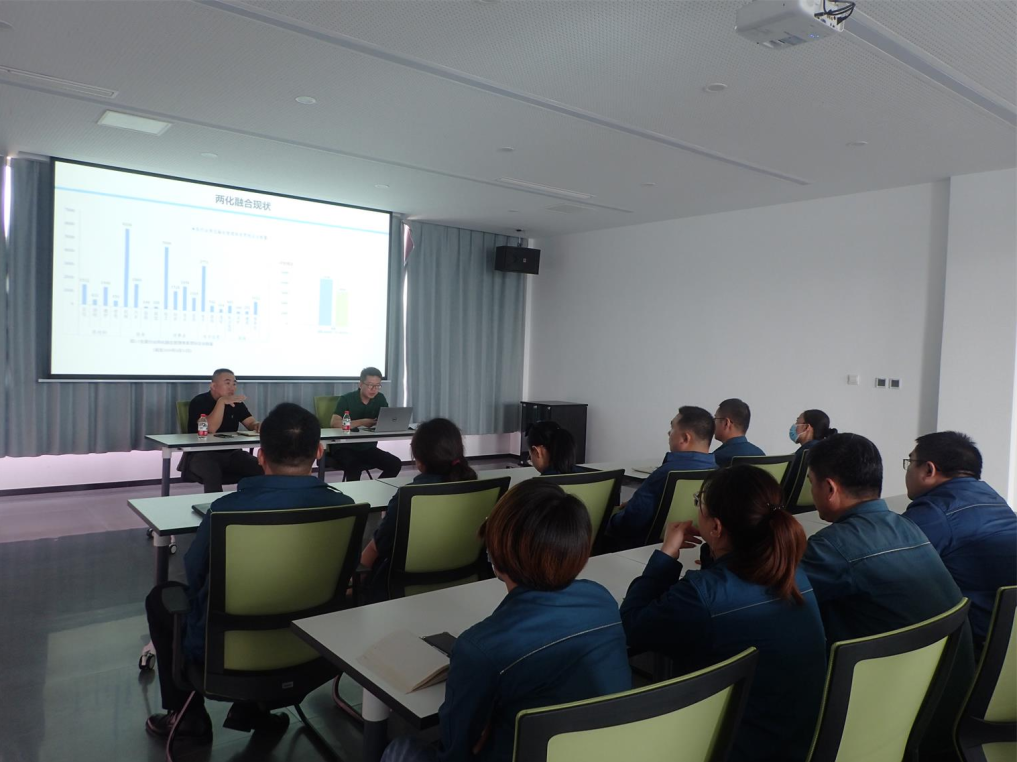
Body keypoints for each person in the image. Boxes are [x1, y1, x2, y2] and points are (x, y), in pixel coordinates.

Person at [144, 403, 354, 744]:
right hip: (314, 648)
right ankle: (256, 709)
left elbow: (196, 574)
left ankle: (188, 718)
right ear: (319, 451)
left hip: (228, 655)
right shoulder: (343, 507)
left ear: (260, 455)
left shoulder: (227, 510)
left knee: (162, 598)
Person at [381, 481, 631, 762]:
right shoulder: (602, 600)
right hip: (603, 751)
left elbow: (456, 751)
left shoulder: (480, 649)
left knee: (400, 749)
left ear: (496, 556)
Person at [621, 466, 826, 762]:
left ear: (716, 527)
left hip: (733, 747)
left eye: (699, 503)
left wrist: (666, 555)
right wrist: (714, 552)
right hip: (796, 739)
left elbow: (632, 626)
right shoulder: (793, 574)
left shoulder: (702, 596)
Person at [800, 433, 974, 758]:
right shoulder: (908, 526)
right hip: (946, 705)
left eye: (811, 483)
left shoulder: (832, 546)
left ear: (830, 488)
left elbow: (772, 595)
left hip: (891, 716)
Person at [903, 431, 1016, 647]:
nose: (907, 470)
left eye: (910, 462)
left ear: (928, 470)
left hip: (971, 644)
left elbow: (884, 559)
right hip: (1006, 643)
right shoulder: (994, 499)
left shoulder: (935, 512)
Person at [361, 418, 477, 600]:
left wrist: (352, 582)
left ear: (419, 459)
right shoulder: (479, 490)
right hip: (465, 585)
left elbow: (377, 548)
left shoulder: (408, 497)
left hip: (401, 591)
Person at [607, 406, 717, 548]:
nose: (669, 433)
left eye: (672, 428)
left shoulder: (664, 473)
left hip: (642, 549)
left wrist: (611, 518)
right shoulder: (719, 473)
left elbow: (631, 522)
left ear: (685, 438)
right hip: (693, 546)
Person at [185, 368, 264, 493]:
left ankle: (255, 501)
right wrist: (221, 402)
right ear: (213, 386)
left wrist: (257, 425)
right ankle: (215, 504)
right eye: (227, 383)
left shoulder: (236, 403)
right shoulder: (199, 401)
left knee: (261, 467)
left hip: (232, 453)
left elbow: (250, 423)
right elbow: (211, 429)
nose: (232, 387)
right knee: (212, 471)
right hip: (202, 454)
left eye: (234, 383)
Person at [328, 366, 403, 481]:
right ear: (360, 384)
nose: (374, 389)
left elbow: (386, 418)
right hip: (344, 447)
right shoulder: (346, 399)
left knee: (394, 463)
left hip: (367, 447)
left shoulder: (380, 398)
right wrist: (362, 422)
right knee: (355, 466)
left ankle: (378, 488)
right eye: (370, 385)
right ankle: (354, 493)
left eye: (377, 386)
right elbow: (334, 423)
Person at [712, 398, 765, 467]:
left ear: (726, 423)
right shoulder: (760, 454)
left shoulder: (717, 458)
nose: (713, 423)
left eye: (715, 418)